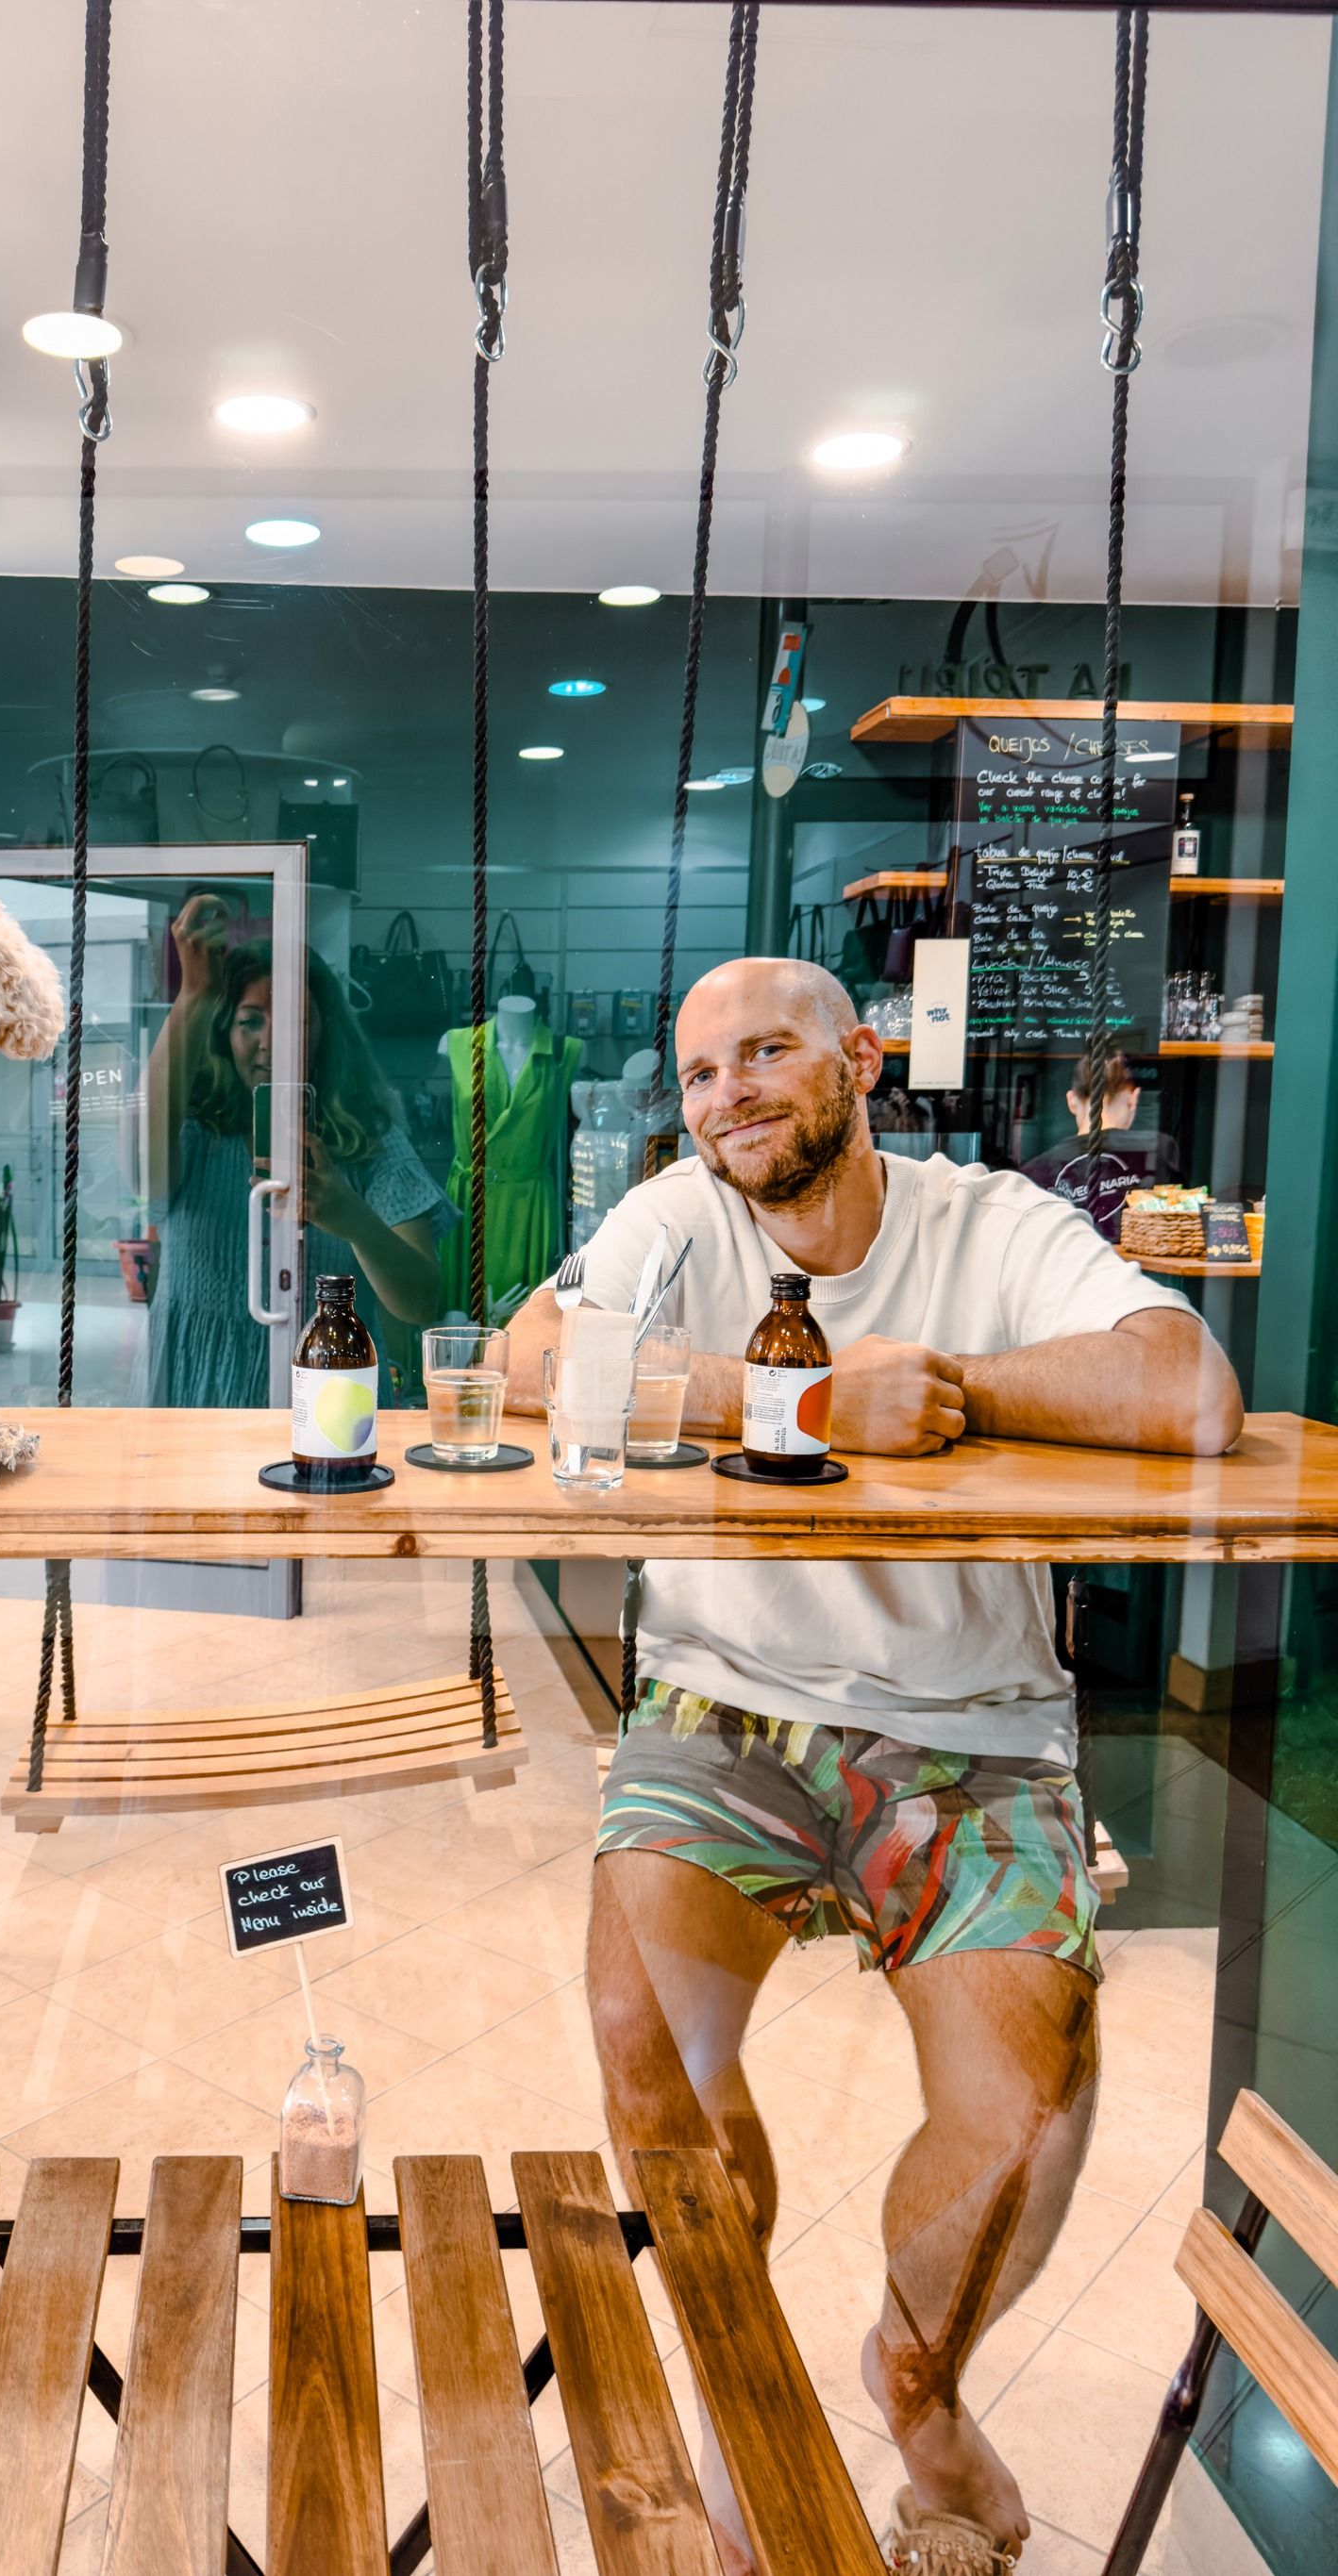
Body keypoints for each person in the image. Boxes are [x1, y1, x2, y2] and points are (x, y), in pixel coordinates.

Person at [505, 957, 1242, 2576]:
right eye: (700, 1073)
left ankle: (914, 2377)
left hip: (970, 1723)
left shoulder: (989, 1222)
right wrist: (811, 1398)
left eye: (765, 1053)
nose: (727, 1097)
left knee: (1025, 2107)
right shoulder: (677, 1219)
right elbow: (524, 1357)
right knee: (643, 2038)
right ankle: (738, 2380)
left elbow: (1189, 1389)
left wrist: (960, 1389)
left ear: (858, 1058)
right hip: (720, 1704)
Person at [143, 893, 450, 1406]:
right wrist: (194, 994)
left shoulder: (365, 1137)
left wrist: (352, 1218)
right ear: (223, 1031)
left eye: (294, 1020)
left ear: (326, 1030)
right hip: (198, 1390)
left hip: (327, 1395)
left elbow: (421, 1301)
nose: (270, 1041)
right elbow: (139, 1171)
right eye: (250, 1020)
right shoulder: (194, 1127)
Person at [1020, 1051, 1181, 1239]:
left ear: (1071, 1101)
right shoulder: (1160, 1151)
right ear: (1133, 1099)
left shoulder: (1034, 1172)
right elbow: (1180, 1224)